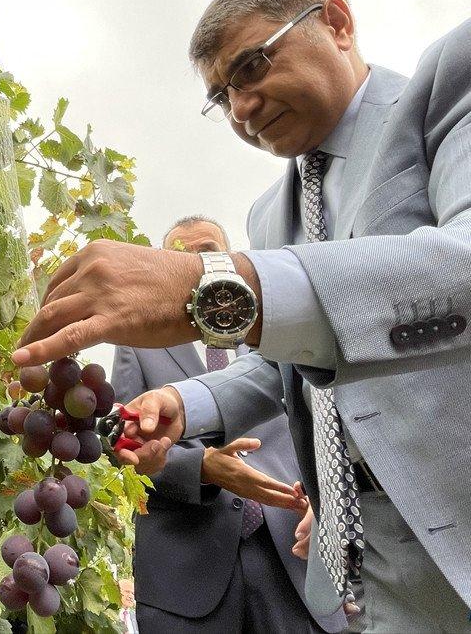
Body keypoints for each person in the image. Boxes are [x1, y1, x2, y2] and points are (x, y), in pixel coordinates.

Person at [11, 0, 471, 631]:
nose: (242, 109)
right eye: (223, 96)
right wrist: (181, 401)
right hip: (375, 586)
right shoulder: (269, 216)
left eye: (251, 67)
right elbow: (285, 361)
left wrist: (218, 288)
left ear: (336, 22)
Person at [112, 215, 347, 633]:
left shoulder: (279, 335)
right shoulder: (138, 344)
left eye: (207, 250)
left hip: (292, 550)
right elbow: (120, 443)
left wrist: (325, 500)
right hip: (185, 570)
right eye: (179, 255)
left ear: (230, 259)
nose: (196, 262)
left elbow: (325, 423)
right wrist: (198, 467)